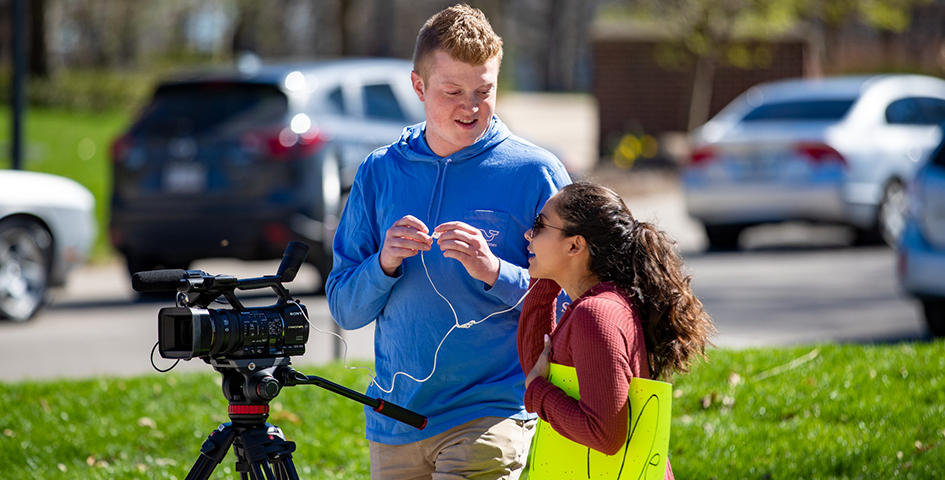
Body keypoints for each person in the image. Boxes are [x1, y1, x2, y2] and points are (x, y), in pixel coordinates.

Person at [326, 4, 571, 479]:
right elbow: (345, 310)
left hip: (491, 410)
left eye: (484, 91)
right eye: (453, 91)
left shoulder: (535, 172)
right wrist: (383, 264)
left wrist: (495, 271)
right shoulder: (380, 171)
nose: (471, 107)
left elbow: (576, 299)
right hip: (394, 421)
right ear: (418, 87)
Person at [518, 182, 717, 479]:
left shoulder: (596, 314)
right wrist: (547, 273)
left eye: (540, 226)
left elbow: (605, 434)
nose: (528, 234)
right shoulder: (601, 304)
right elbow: (538, 365)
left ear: (574, 245)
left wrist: (538, 392)